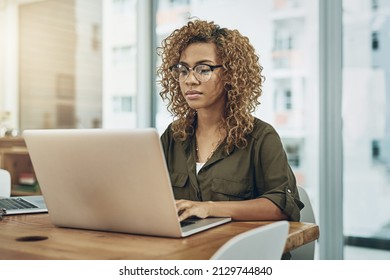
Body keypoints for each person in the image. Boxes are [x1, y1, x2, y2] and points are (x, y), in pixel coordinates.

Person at [157, 19, 303, 223]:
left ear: (230, 74)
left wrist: (209, 208)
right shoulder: (173, 136)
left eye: (203, 69)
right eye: (183, 70)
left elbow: (281, 206)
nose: (190, 80)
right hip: (187, 248)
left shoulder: (261, 137)